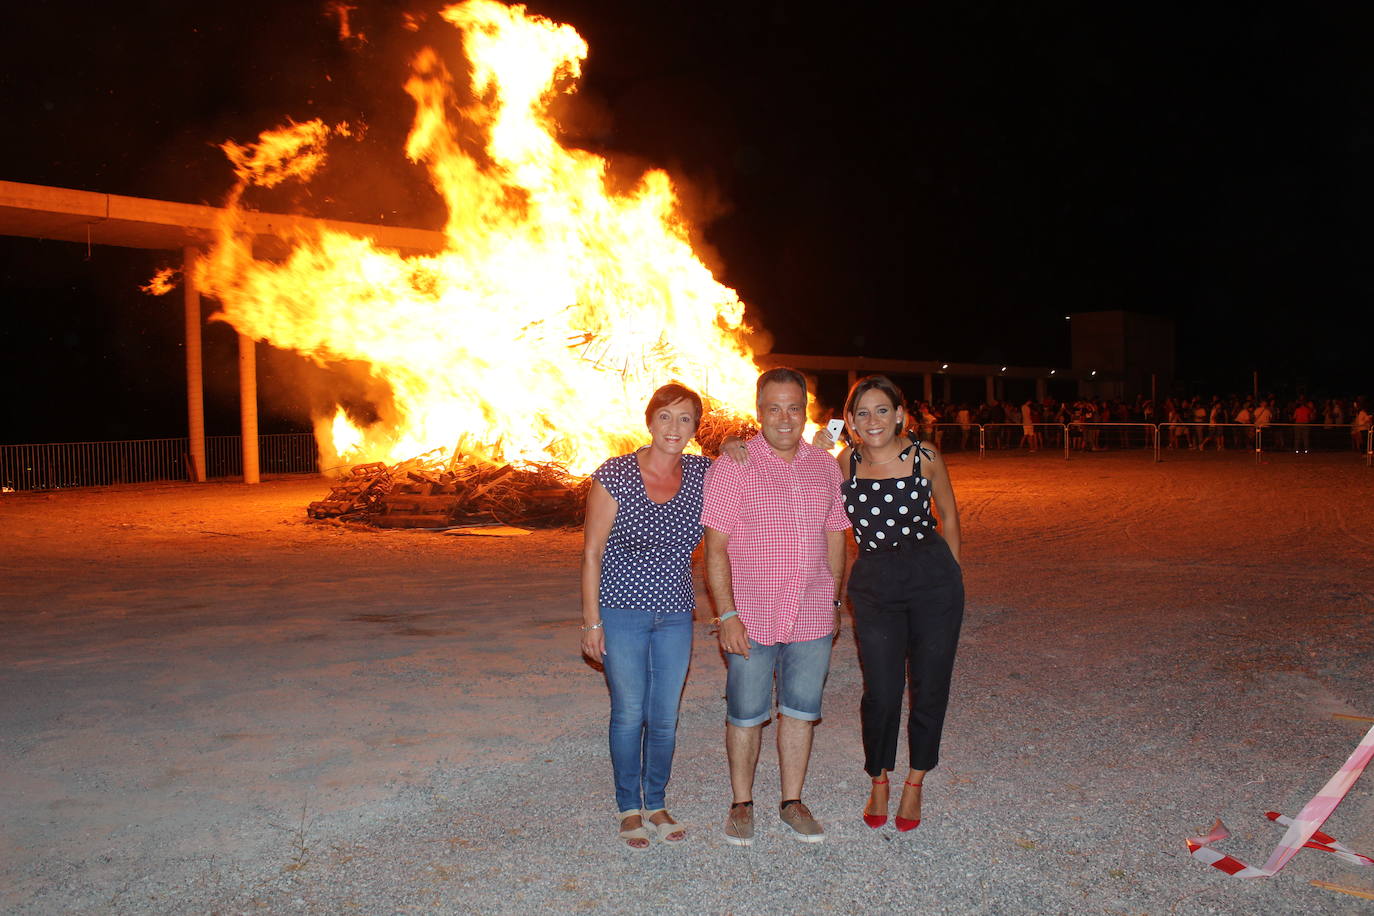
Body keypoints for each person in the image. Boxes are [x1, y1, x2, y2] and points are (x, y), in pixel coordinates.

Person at [701, 367, 850, 846]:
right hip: (751, 616)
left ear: (805, 411)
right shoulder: (734, 466)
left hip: (810, 612)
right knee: (745, 713)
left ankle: (791, 801)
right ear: (758, 412)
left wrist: (833, 601)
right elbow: (715, 548)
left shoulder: (823, 464)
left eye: (793, 408)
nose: (784, 418)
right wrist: (725, 615)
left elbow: (835, 536)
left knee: (801, 711)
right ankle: (741, 803)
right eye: (773, 408)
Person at [816, 375, 964, 833]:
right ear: (851, 420)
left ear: (900, 414)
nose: (872, 419)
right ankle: (878, 775)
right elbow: (792, 479)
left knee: (929, 684)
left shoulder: (925, 456)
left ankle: (915, 780)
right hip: (875, 580)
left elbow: (950, 516)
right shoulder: (845, 461)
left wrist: (952, 575)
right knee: (880, 689)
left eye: (882, 410)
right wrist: (811, 449)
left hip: (932, 577)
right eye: (862, 412)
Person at [580, 383, 710, 849]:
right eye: (666, 417)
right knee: (629, 711)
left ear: (696, 428)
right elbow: (592, 552)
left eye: (686, 419)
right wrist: (592, 623)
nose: (675, 428)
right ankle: (628, 807)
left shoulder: (703, 473)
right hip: (621, 612)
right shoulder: (615, 475)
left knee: (664, 715)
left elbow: (755, 467)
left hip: (676, 613)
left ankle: (655, 801)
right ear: (649, 420)